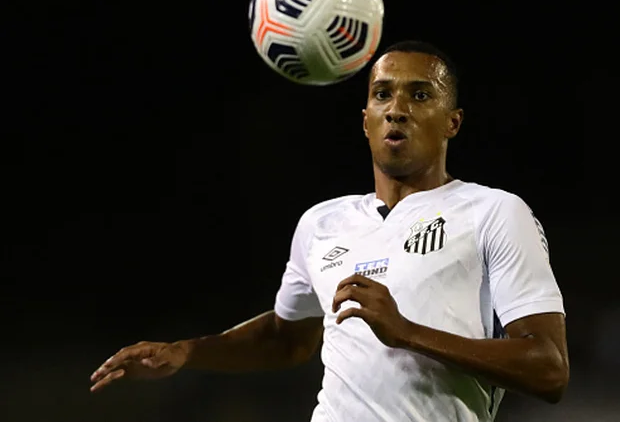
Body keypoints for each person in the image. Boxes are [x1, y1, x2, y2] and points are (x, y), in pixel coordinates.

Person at [90, 41, 569, 421]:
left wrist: (406, 333)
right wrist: (187, 351)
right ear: (365, 122)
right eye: (383, 94)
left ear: (453, 122)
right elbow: (288, 337)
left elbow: (549, 370)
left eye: (420, 94)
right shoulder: (322, 222)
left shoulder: (493, 212)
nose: (397, 108)